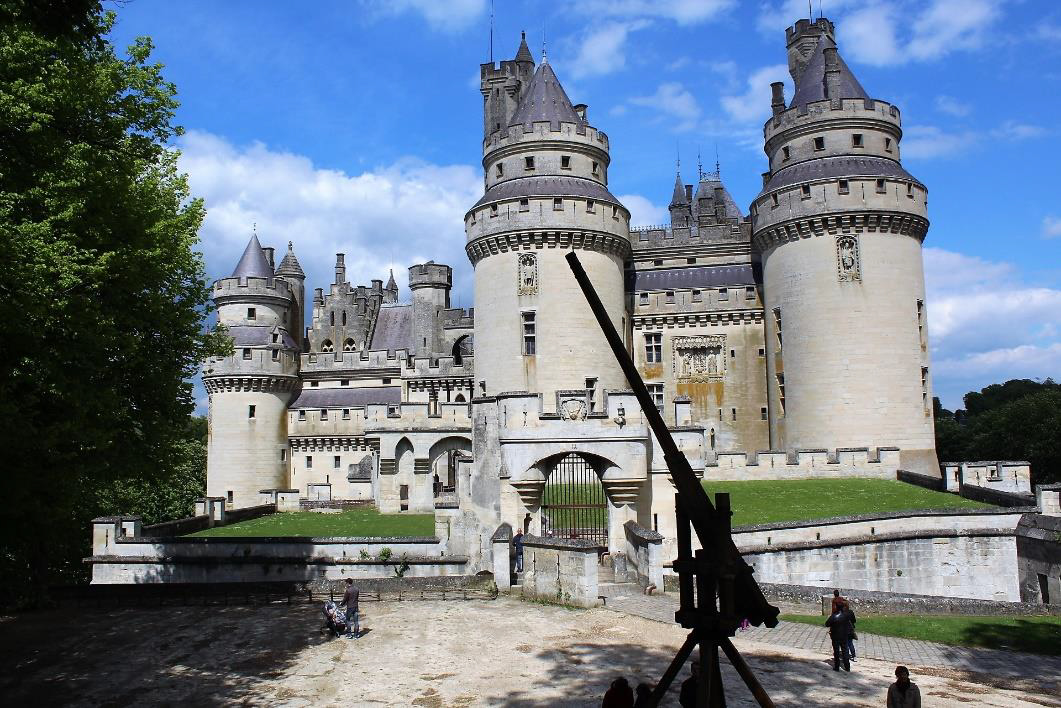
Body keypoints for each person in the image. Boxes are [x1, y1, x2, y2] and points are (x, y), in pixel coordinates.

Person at [825, 604, 853, 671]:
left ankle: (837, 667)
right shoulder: (846, 615)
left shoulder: (834, 616)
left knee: (836, 651)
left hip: (835, 636)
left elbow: (827, 624)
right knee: (845, 651)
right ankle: (847, 667)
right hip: (844, 635)